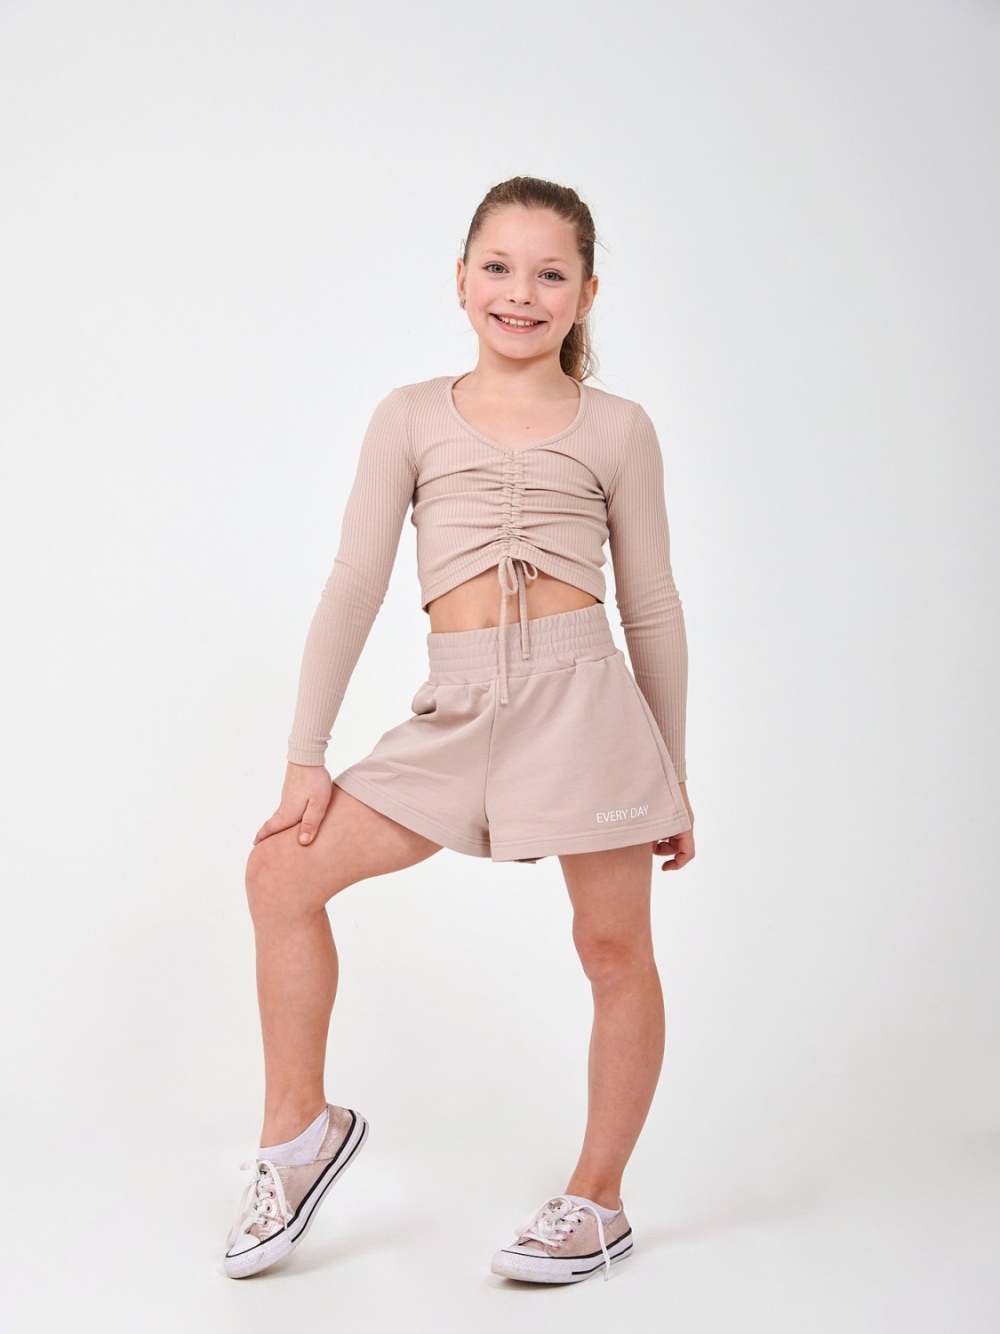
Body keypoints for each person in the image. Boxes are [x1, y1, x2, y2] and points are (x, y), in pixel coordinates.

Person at [223, 176, 696, 1285]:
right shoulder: (408, 414)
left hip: (585, 707)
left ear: (586, 294)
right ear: (460, 279)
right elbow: (354, 583)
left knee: (612, 949)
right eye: (498, 267)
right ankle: (298, 1135)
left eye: (549, 273)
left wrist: (670, 772)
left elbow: (653, 605)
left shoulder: (620, 427)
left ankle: (598, 1198)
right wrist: (306, 756)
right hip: (458, 705)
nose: (520, 293)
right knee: (279, 873)